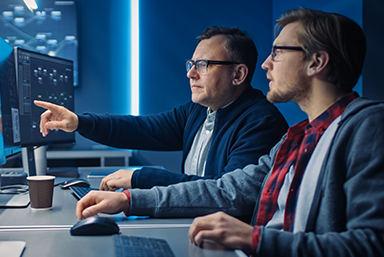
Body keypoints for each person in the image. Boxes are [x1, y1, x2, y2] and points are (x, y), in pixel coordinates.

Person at [72, 8, 384, 256]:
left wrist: (255, 239)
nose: (265, 65)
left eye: (278, 53)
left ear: (316, 62)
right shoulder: (298, 137)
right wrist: (129, 200)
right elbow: (227, 191)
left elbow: (370, 245)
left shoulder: (366, 126)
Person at [35, 26, 288, 191]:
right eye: (191, 64)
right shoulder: (198, 111)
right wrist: (79, 122)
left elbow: (223, 193)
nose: (190, 73)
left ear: (238, 74)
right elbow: (142, 129)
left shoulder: (260, 122)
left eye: (203, 65)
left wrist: (140, 178)